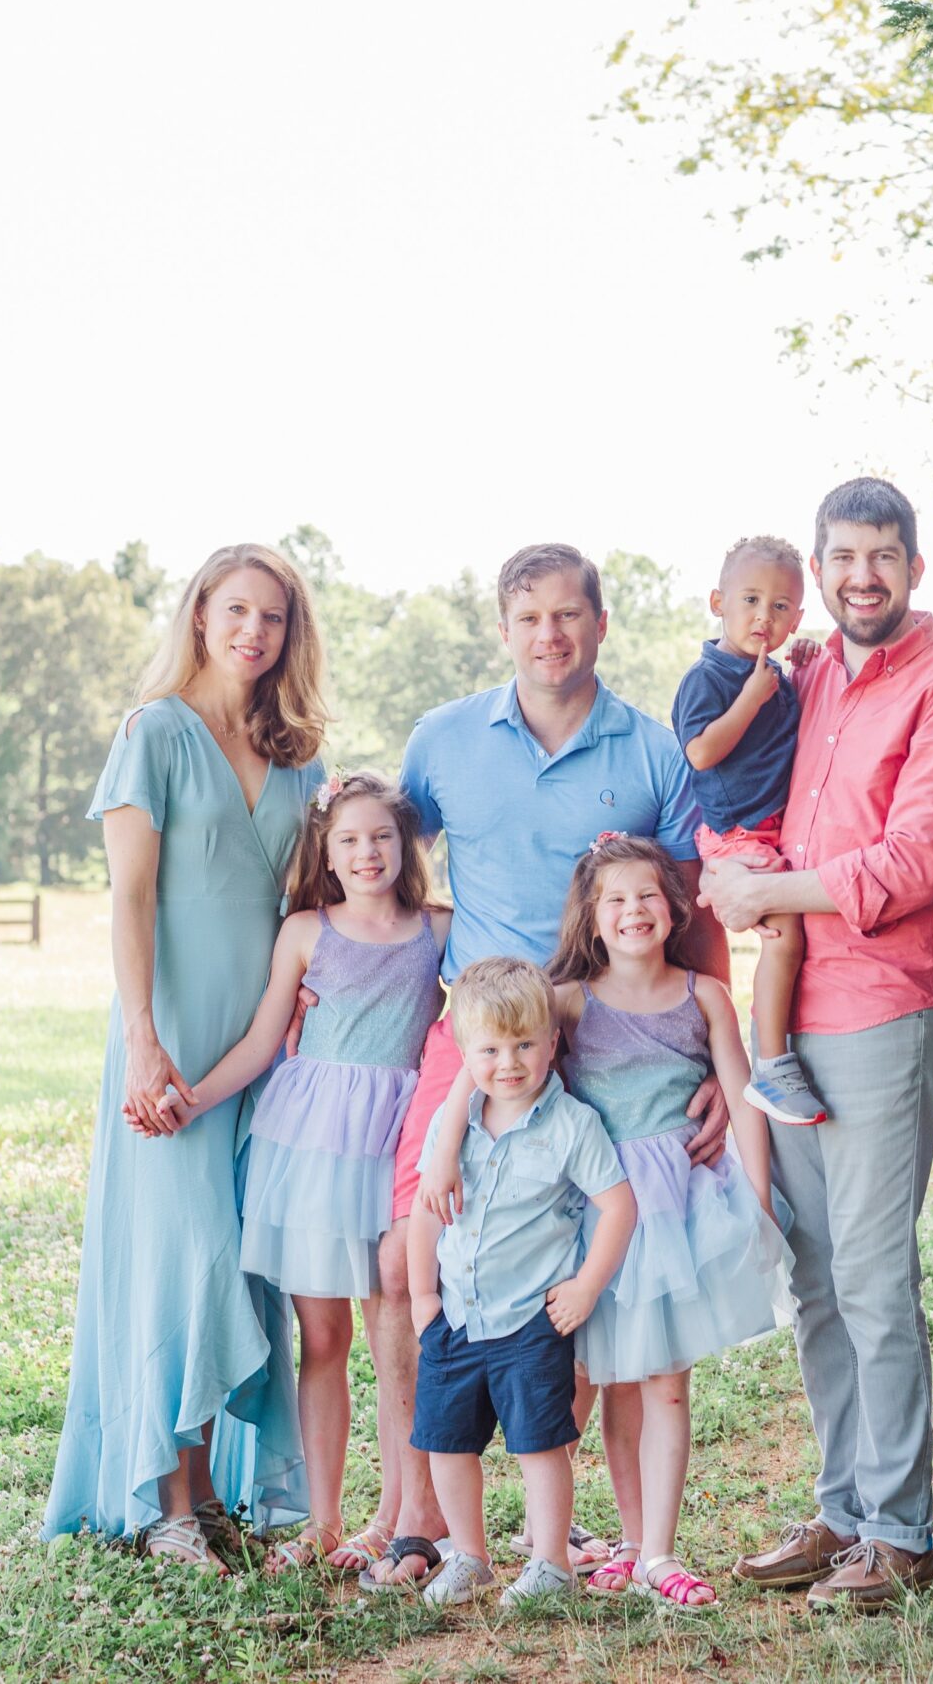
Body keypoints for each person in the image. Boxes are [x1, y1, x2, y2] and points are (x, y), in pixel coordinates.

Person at [345, 542, 726, 1586]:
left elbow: (688, 913)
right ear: (503, 629)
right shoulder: (444, 739)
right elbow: (382, 860)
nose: (549, 635)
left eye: (568, 614)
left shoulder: (653, 751)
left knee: (579, 1275)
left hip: (600, 1043)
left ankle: (554, 1528)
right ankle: (417, 1515)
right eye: (529, 617)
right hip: (473, 1036)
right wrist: (325, 975)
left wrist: (707, 1057)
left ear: (600, 622)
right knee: (406, 1257)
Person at [705, 477, 933, 1610]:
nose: (861, 576)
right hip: (792, 1019)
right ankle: (842, 1511)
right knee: (815, 1277)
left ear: (914, 568)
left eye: (882, 556)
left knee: (872, 1276)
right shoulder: (810, 673)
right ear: (820, 568)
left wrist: (765, 890)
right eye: (843, 557)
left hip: (889, 1008)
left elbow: (912, 864)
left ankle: (903, 1535)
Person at [42, 543, 329, 1569]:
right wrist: (142, 1040)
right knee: (185, 1255)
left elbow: (313, 901)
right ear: (200, 615)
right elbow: (128, 897)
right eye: (236, 610)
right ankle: (167, 1500)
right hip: (170, 1033)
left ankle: (207, 1494)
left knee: (243, 1259)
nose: (254, 631)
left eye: (274, 617)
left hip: (264, 1044)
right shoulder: (152, 733)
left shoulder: (301, 755)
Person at [424, 835, 781, 1606]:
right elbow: (481, 1062)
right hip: (595, 1214)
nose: (633, 911)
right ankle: (626, 1540)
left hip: (676, 1212)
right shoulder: (568, 1000)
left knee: (666, 1383)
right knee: (612, 1381)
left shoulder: (706, 996)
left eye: (647, 895)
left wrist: (758, 1199)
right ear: (590, 916)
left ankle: (659, 1553)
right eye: (614, 899)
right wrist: (444, 1149)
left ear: (673, 907)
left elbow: (741, 1093)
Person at [156, 772, 450, 1577]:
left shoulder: (437, 928)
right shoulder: (305, 932)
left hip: (397, 1139)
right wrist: (193, 1098)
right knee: (324, 1337)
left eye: (382, 837)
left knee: (396, 1325)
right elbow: (262, 1041)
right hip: (313, 1143)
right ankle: (323, 1519)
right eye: (348, 840)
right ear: (326, 849)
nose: (367, 853)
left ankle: (401, 1515)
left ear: (407, 845)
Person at [404, 958, 637, 1608]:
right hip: (457, 1316)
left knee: (541, 1446)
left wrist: (587, 1286)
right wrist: (423, 1296)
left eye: (524, 1045)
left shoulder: (571, 1126)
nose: (508, 1063)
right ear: (464, 1053)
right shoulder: (453, 1128)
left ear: (552, 1042)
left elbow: (618, 1206)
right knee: (446, 1443)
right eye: (490, 1050)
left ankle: (550, 1563)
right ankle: (469, 1556)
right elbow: (426, 1212)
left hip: (530, 1321)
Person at [669, 535, 825, 1126]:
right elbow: (702, 752)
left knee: (791, 935)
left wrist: (802, 667)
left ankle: (777, 1052)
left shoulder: (775, 674)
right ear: (718, 602)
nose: (765, 616)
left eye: (781, 607)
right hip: (736, 832)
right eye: (751, 600)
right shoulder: (708, 678)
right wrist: (751, 699)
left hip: (769, 829)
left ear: (797, 619)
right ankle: (772, 1063)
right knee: (784, 937)